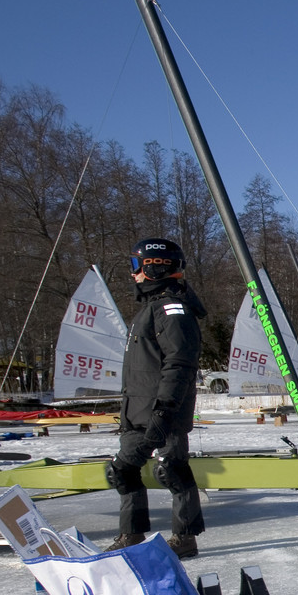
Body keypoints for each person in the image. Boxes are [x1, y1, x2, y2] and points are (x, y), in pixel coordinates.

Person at [104, 238, 207, 559]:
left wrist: (164, 411)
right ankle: (131, 534)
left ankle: (185, 538)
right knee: (122, 470)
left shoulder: (171, 310)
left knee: (172, 469)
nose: (132, 274)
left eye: (136, 265)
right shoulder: (149, 310)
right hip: (138, 410)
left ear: (153, 268)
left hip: (164, 411)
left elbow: (180, 364)